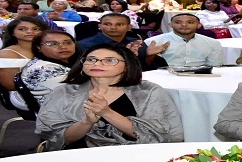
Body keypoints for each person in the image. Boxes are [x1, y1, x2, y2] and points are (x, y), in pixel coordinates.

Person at [36, 45, 184, 149]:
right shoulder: (64, 92)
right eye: (91, 59)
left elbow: (159, 137)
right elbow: (60, 140)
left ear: (127, 66)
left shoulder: (147, 91)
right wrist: (87, 122)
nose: (98, 63)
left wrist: (106, 113)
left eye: (110, 60)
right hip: (79, 155)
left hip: (133, 154)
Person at [17, 30, 79, 110]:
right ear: (38, 47)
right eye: (52, 44)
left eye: (68, 42)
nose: (63, 47)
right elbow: (80, 92)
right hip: (60, 113)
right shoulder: (43, 69)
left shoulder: (46, 61)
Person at [0, 17, 49, 92]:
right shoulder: (6, 54)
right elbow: (11, 85)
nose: (30, 31)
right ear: (12, 32)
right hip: (25, 93)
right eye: (22, 29)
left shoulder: (50, 48)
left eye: (36, 29)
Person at [145, 13, 225, 67]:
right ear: (171, 25)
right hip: (166, 76)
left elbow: (215, 67)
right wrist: (150, 55)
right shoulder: (153, 42)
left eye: (190, 22)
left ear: (199, 25)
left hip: (201, 77)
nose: (184, 25)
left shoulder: (213, 43)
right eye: (178, 22)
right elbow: (147, 67)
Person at [77, 13, 142, 51]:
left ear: (129, 27)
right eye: (107, 24)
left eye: (119, 24)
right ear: (100, 26)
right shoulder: (84, 45)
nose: (113, 27)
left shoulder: (135, 43)